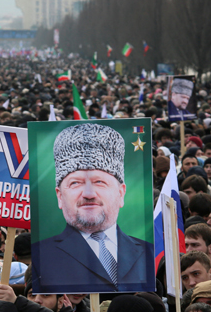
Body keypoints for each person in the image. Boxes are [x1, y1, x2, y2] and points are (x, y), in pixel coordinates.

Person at [31, 123, 153, 293]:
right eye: (75, 183)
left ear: (121, 193)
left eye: (99, 182)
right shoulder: (39, 256)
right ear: (59, 196)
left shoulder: (150, 253)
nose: (88, 193)